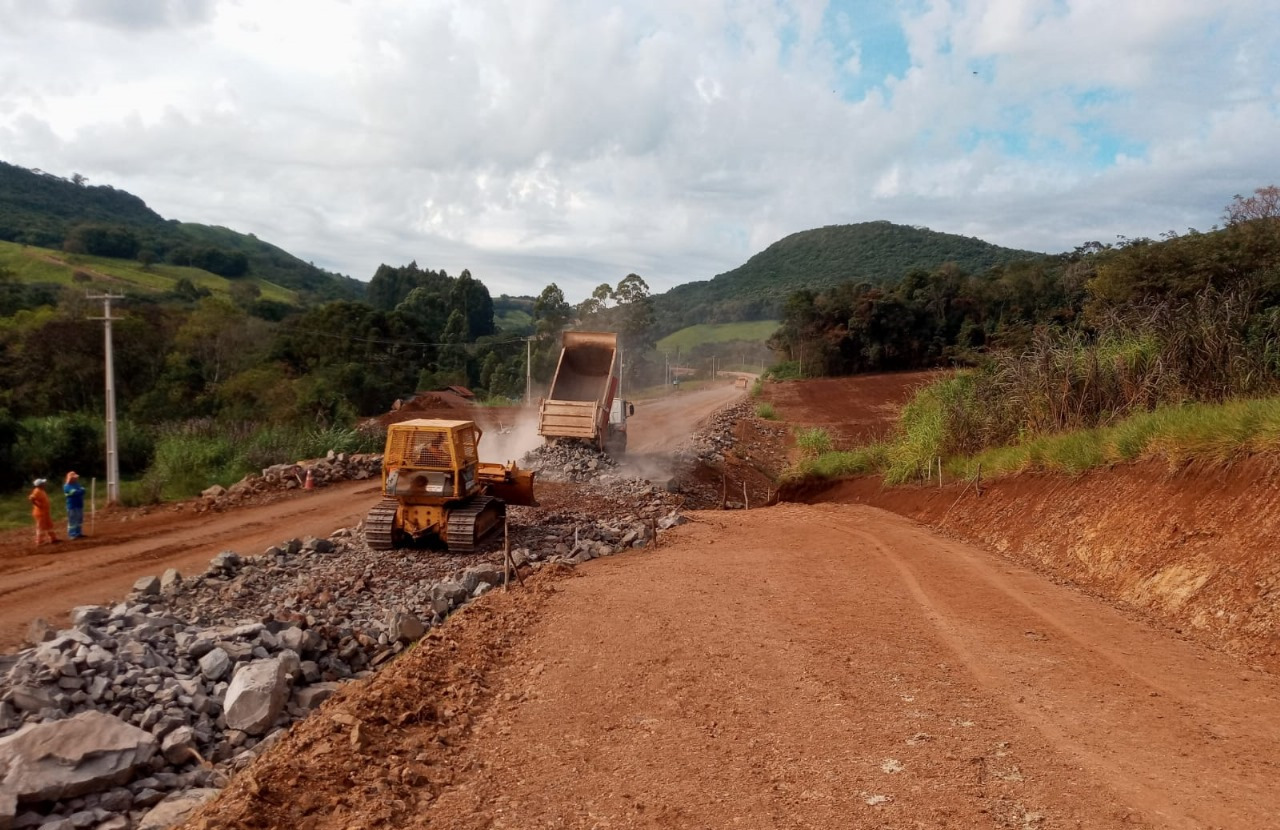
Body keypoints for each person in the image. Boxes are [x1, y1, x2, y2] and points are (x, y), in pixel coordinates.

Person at [28, 478, 59, 545]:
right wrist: (37, 505)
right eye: (43, 483)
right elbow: (31, 498)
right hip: (40, 513)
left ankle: (53, 539)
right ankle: (39, 541)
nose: (45, 484)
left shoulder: (41, 490)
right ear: (40, 485)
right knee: (41, 527)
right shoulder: (37, 491)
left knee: (49, 525)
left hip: (45, 512)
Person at [63, 471, 85, 540]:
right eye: (74, 478)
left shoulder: (76, 484)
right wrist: (80, 491)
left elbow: (83, 490)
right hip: (72, 505)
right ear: (71, 478)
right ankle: (72, 534)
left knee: (79, 519)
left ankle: (78, 533)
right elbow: (74, 492)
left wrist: (80, 491)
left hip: (79, 504)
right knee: (72, 520)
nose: (76, 479)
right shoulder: (66, 486)